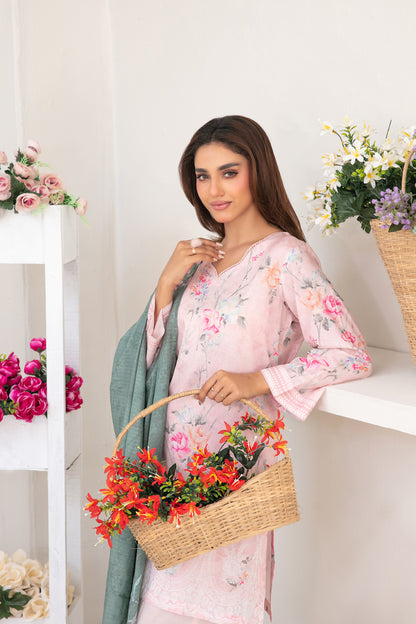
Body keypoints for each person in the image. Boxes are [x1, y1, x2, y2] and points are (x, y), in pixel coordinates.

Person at [108, 115, 372, 624]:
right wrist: (165, 286)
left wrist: (259, 380)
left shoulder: (287, 258)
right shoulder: (198, 261)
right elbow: (151, 361)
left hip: (234, 472)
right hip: (173, 473)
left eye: (229, 172)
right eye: (202, 176)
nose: (214, 190)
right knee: (155, 609)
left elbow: (350, 352)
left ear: (258, 172)